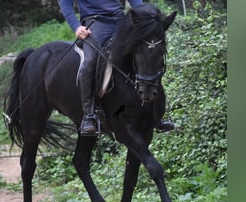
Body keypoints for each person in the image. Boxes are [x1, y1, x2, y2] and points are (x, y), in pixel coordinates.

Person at [59, 0, 174, 135]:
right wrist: (76, 27)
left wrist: (145, 19)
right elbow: (65, 2)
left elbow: (136, 2)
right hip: (94, 24)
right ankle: (89, 115)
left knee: (148, 54)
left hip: (121, 21)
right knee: (89, 62)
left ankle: (157, 113)